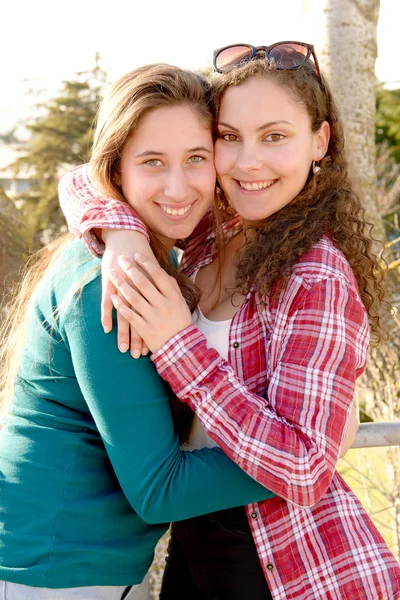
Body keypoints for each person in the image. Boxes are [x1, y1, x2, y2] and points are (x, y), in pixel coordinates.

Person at [58, 44, 400, 599]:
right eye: (228, 137)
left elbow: (307, 469)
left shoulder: (316, 276)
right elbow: (83, 177)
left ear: (320, 141)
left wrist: (178, 344)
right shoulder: (210, 233)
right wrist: (120, 234)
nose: (247, 162)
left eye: (274, 136)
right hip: (196, 534)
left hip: (284, 561)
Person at [0, 63, 283, 600]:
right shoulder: (112, 287)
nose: (179, 188)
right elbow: (160, 490)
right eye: (152, 162)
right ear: (117, 170)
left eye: (196, 159)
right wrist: (302, 458)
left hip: (83, 568)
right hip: (51, 572)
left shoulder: (150, 255)